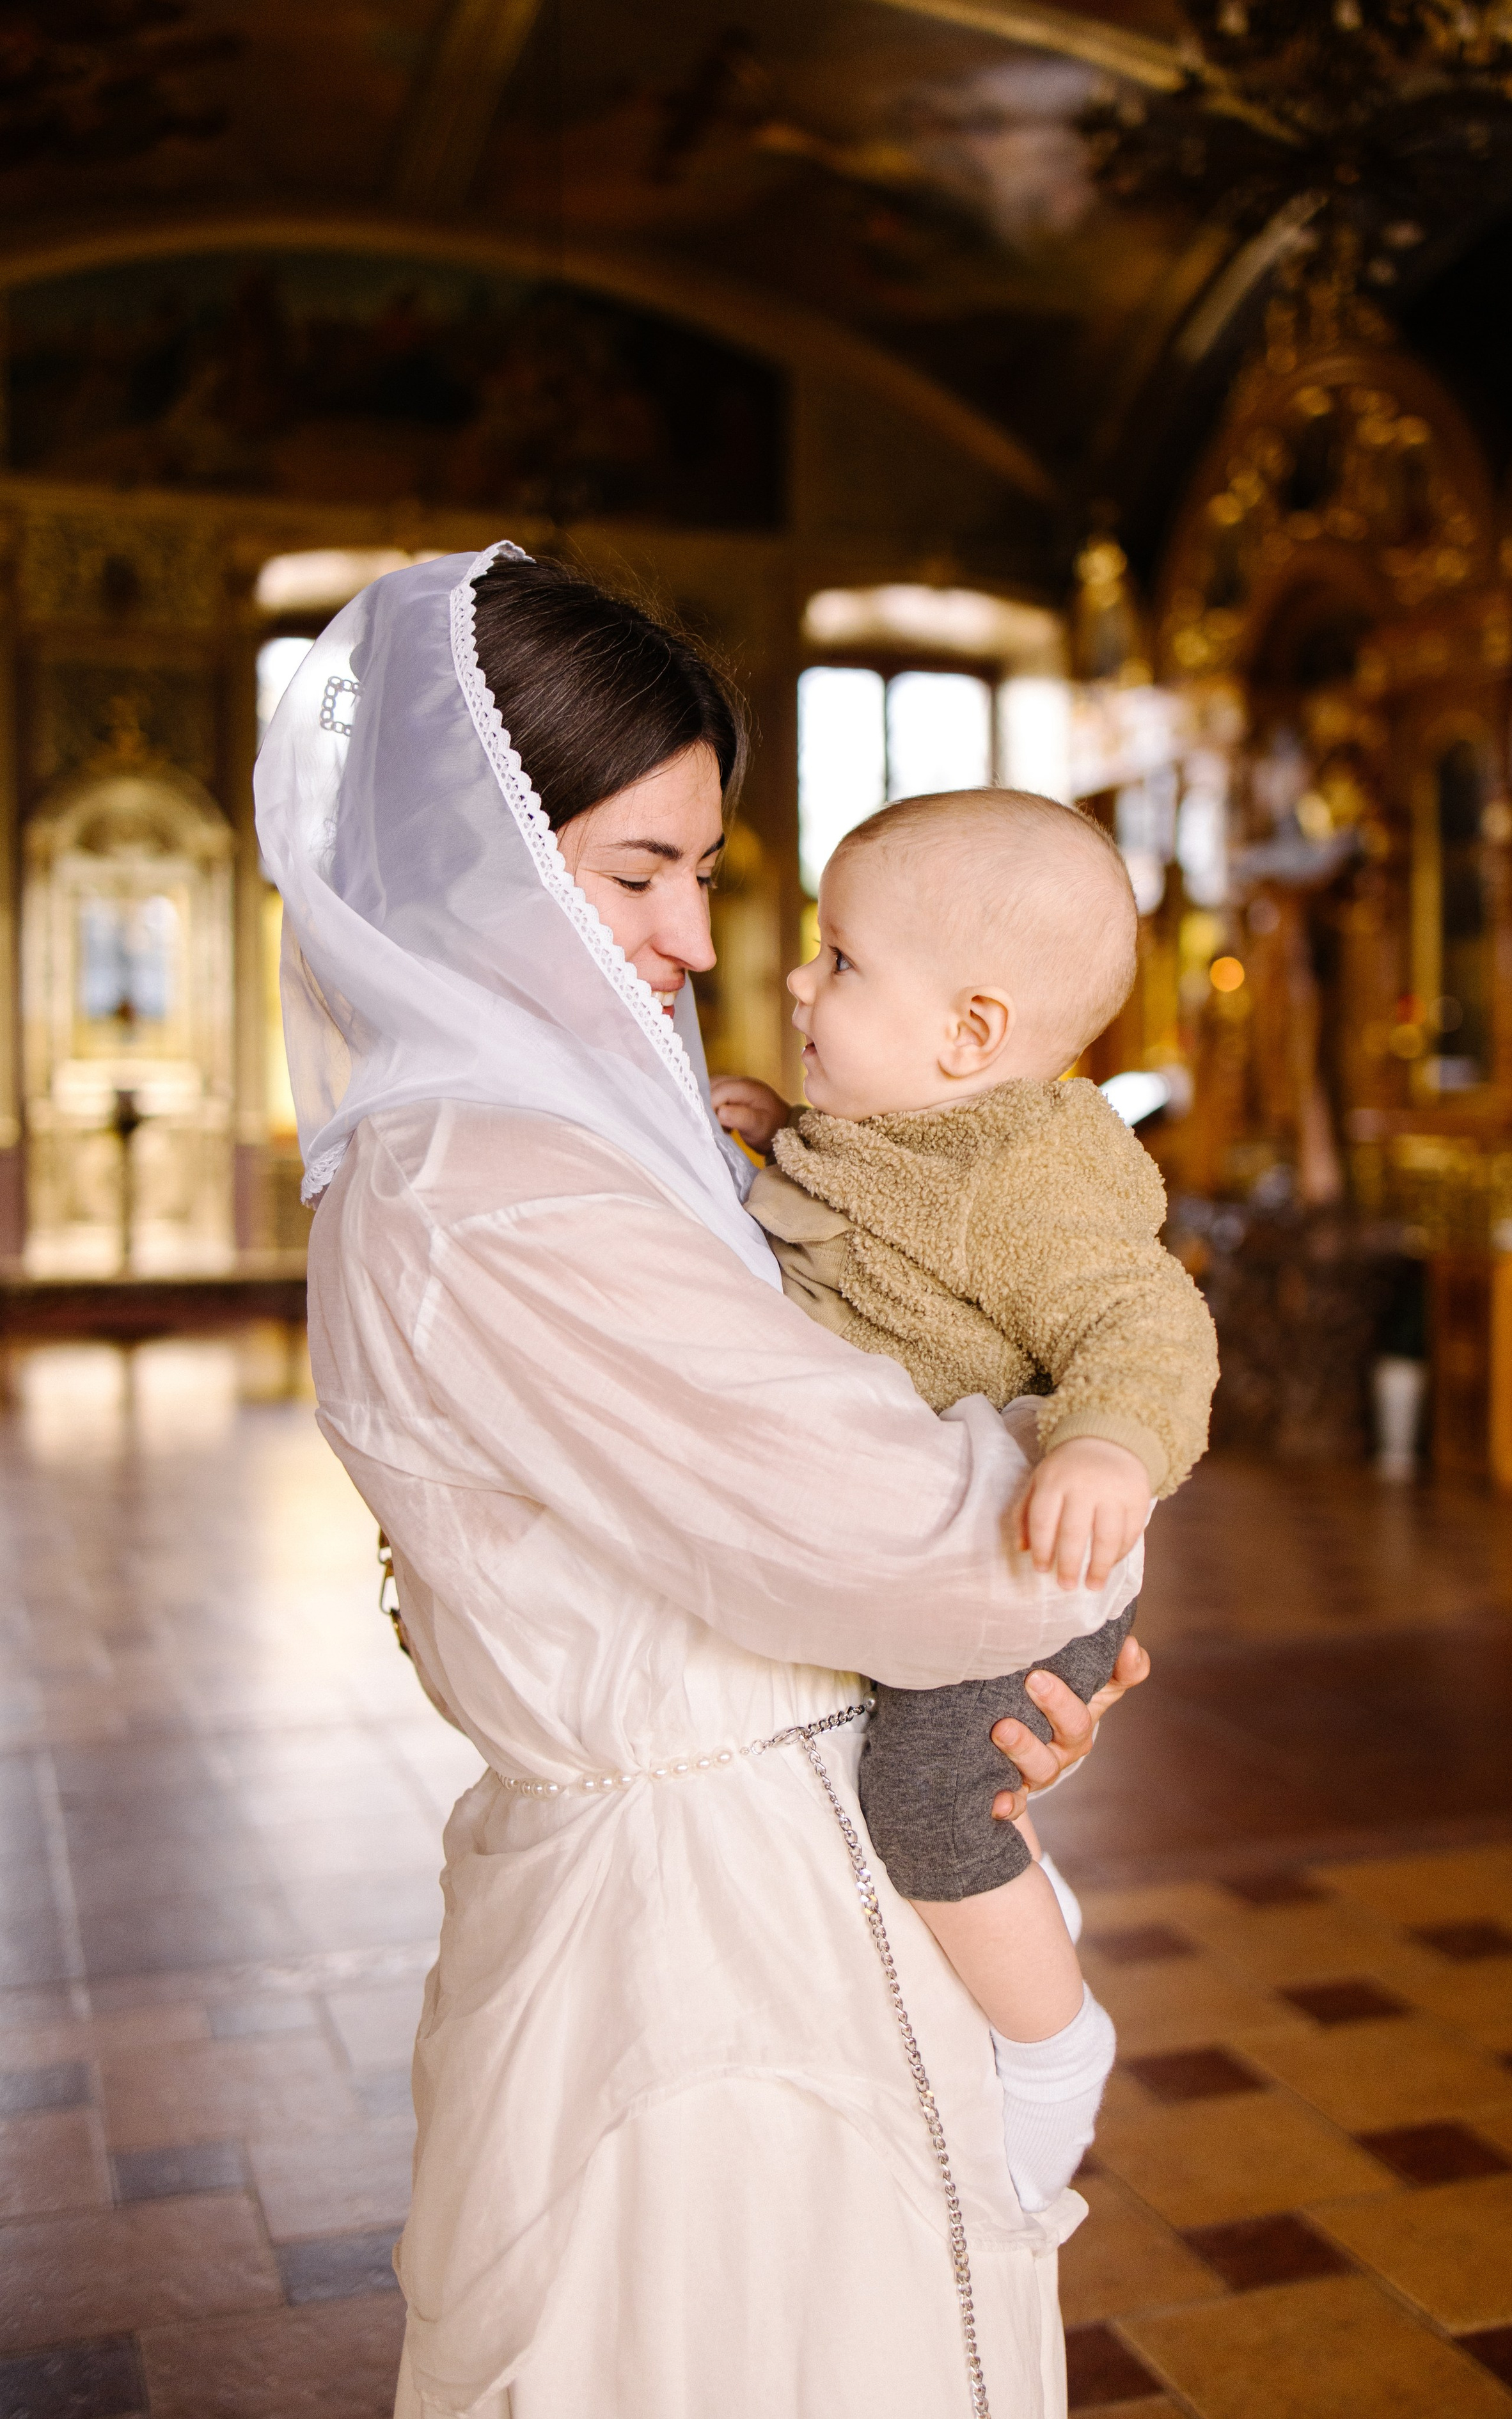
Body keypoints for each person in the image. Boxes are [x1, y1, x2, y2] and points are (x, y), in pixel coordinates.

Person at [257, 543, 1152, 2419]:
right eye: (634, 872)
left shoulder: (577, 1133)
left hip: (770, 1851)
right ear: (474, 861)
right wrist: (1067, 1527)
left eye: (706, 874)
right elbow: (902, 1535)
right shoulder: (485, 1183)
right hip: (716, 1943)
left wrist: (993, 1682)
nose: (690, 939)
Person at [710, 788, 1217, 2211]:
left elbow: (1146, 1319)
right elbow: (843, 1238)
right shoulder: (894, 1122)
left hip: (1027, 1557)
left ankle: (1052, 2044)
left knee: (927, 1800)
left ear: (971, 1035)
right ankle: (1020, 1903)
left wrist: (1107, 1447)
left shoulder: (1016, 1170)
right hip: (921, 1563)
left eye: (841, 960)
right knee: (932, 1802)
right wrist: (768, 1139)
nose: (798, 978)